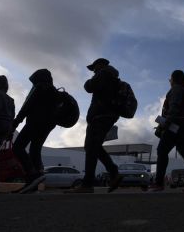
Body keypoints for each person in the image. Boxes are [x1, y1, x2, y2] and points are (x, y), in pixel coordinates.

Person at [66, 58, 123, 193]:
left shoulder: (103, 74)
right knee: (93, 146)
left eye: (94, 68)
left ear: (100, 65)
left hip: (100, 116)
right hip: (107, 116)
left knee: (91, 147)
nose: (93, 71)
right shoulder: (113, 77)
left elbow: (89, 87)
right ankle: (113, 172)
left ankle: (87, 184)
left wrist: (89, 81)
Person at [149, 70, 184, 192]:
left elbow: (174, 107)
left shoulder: (177, 89)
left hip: (175, 125)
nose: (169, 81)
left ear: (174, 79)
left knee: (162, 151)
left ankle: (158, 183)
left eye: (170, 78)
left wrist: (165, 123)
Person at [12, 69, 58, 194]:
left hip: (35, 121)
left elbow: (26, 107)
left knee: (17, 147)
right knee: (35, 149)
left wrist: (14, 124)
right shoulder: (54, 90)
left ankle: (32, 176)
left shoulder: (39, 87)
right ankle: (35, 182)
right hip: (49, 124)